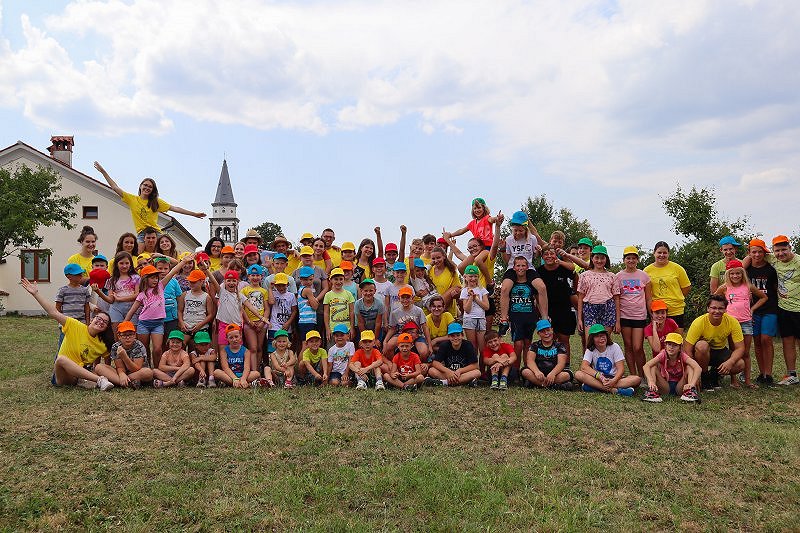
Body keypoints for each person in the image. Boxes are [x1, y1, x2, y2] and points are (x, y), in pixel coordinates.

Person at [21, 278, 115, 390]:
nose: (100, 322)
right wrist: (36, 294)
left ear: (106, 328)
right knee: (61, 359)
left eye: (105, 322)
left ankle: (89, 380)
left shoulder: (103, 345)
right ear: (92, 318)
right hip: (61, 375)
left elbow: (107, 365)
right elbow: (54, 312)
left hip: (77, 376)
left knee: (90, 369)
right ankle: (99, 380)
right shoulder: (75, 325)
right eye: (99, 318)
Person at [94, 161, 206, 241]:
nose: (147, 188)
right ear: (140, 186)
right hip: (142, 234)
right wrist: (103, 172)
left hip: (155, 233)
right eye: (145, 185)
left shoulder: (155, 202)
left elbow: (175, 208)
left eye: (150, 187)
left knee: (165, 248)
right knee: (139, 255)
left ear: (152, 190)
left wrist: (194, 214)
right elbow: (115, 187)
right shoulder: (132, 199)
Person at [744, 235, 800, 385]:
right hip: (779, 308)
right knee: (783, 341)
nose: (780, 253)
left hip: (780, 308)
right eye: (777, 250)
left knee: (769, 339)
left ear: (790, 248)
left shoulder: (787, 263)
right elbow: (748, 259)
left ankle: (771, 374)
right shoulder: (766, 261)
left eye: (784, 249)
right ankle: (785, 374)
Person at [124, 258, 187, 368]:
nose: (155, 280)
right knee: (144, 348)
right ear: (145, 279)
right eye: (152, 278)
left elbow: (172, 272)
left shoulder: (161, 287)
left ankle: (158, 370)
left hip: (158, 324)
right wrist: (124, 324)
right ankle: (146, 368)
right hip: (143, 323)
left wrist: (183, 262)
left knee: (158, 349)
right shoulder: (142, 294)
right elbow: (132, 311)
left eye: (156, 278)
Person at [714, 259, 767, 388]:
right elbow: (714, 300)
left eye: (738, 273)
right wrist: (722, 312)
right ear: (728, 274)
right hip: (731, 324)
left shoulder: (748, 286)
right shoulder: (724, 287)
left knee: (746, 352)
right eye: (732, 274)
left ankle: (748, 380)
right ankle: (734, 380)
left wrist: (752, 309)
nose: (735, 276)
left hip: (746, 322)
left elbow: (764, 297)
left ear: (742, 274)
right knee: (734, 352)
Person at [683, 295, 746, 391]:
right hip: (701, 353)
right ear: (708, 308)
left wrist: (730, 362)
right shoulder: (699, 322)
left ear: (725, 309)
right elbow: (687, 348)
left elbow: (740, 348)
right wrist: (694, 372)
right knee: (702, 346)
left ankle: (715, 374)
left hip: (720, 351)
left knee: (740, 364)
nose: (717, 311)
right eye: (713, 308)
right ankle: (704, 376)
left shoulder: (732, 322)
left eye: (721, 308)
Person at [744, 239, 779, 384]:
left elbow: (776, 289)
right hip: (753, 310)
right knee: (757, 341)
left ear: (764, 253)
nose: (757, 255)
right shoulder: (746, 270)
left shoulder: (771, 270)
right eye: (754, 252)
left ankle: (769, 374)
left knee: (766, 339)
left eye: (760, 252)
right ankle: (761, 373)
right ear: (749, 253)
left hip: (769, 307)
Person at [615, 246, 651, 380]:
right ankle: (633, 375)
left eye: (633, 258)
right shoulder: (618, 276)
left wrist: (651, 314)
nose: (631, 260)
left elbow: (648, 298)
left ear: (637, 260)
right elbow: (617, 299)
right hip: (624, 315)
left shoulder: (644, 275)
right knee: (628, 346)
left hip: (639, 316)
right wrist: (617, 320)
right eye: (628, 258)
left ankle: (642, 376)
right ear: (624, 260)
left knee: (638, 347)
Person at [537, 246, 578, 365]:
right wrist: (541, 313)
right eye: (546, 254)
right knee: (549, 338)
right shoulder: (539, 271)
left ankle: (566, 366)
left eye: (552, 254)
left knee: (564, 339)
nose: (549, 256)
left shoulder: (564, 268)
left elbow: (573, 271)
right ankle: (549, 365)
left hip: (564, 309)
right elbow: (537, 295)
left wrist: (574, 291)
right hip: (547, 310)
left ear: (556, 255)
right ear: (542, 257)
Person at [575, 324, 640, 395]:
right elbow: (584, 367)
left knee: (636, 379)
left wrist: (613, 381)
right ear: (592, 339)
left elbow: (621, 369)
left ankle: (596, 387)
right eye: (597, 336)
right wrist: (600, 377)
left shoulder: (615, 347)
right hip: (598, 378)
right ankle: (614, 391)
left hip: (614, 378)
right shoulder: (590, 349)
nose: (602, 338)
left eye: (603, 335)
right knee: (578, 374)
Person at [443, 198, 496, 283]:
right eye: (475, 208)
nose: (477, 210)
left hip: (486, 247)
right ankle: (470, 283)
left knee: (478, 260)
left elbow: (492, 219)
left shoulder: (486, 218)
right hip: (477, 249)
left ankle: (490, 282)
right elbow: (461, 230)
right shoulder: (472, 223)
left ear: (484, 208)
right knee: (461, 267)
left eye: (479, 208)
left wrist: (497, 218)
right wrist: (451, 234)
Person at [641, 332, 701, 403]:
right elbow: (646, 366)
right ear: (665, 346)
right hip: (665, 386)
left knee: (690, 367)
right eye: (669, 344)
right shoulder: (663, 354)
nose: (671, 347)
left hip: (680, 387)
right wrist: (651, 381)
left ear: (680, 348)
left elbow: (698, 368)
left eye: (675, 345)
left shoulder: (683, 355)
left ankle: (690, 392)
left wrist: (692, 384)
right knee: (653, 367)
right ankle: (652, 392)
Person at [644, 241, 691, 330]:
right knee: (659, 340)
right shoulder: (647, 271)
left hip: (676, 310)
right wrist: (651, 312)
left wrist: (675, 298)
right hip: (658, 312)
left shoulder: (677, 268)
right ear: (654, 253)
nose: (662, 255)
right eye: (659, 252)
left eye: (664, 253)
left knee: (676, 340)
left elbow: (686, 288)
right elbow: (647, 295)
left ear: (668, 254)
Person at [576, 245, 620, 340]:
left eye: (602, 258)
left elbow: (616, 298)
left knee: (604, 341)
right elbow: (580, 297)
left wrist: (618, 321)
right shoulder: (584, 275)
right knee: (590, 341)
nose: (599, 261)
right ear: (592, 258)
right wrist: (579, 319)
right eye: (597, 257)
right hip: (590, 309)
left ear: (606, 259)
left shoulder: (612, 276)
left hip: (608, 309)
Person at [95, 321, 153, 388]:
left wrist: (124, 356)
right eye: (124, 335)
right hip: (123, 373)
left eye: (130, 334)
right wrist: (122, 374)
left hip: (137, 373)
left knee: (148, 372)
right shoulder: (115, 346)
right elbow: (120, 367)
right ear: (119, 336)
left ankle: (119, 382)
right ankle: (127, 382)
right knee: (98, 367)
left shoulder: (139, 346)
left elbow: (136, 369)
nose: (127, 337)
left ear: (134, 335)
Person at [521, 319, 573, 391]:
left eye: (548, 330)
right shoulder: (534, 345)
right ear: (538, 333)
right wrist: (537, 372)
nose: (546, 333)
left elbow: (561, 363)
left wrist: (553, 374)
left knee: (567, 375)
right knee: (525, 372)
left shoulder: (560, 345)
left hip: (555, 374)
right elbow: (530, 361)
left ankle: (538, 384)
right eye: (542, 331)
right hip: (539, 374)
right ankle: (553, 386)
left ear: (552, 330)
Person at [424, 323, 481, 387]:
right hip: (448, 373)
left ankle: (444, 382)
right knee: (431, 370)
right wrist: (448, 371)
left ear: (462, 335)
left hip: (463, 373)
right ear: (448, 337)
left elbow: (475, 365)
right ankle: (465, 381)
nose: (455, 338)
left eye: (458, 335)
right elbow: (435, 363)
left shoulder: (468, 345)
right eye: (452, 336)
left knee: (477, 372)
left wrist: (460, 370)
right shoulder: (444, 345)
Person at [384, 286, 431, 361]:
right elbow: (392, 329)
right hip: (401, 334)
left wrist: (429, 345)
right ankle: (394, 364)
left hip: (417, 335)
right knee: (389, 346)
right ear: (399, 298)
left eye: (408, 297)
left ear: (412, 298)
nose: (405, 300)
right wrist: (385, 341)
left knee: (424, 352)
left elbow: (425, 327)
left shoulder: (418, 311)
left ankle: (418, 365)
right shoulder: (395, 313)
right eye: (403, 298)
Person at [103, 251, 140, 336]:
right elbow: (111, 299)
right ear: (116, 264)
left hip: (132, 308)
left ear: (131, 264)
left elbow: (137, 295)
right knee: (118, 335)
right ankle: (117, 349)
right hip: (116, 308)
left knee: (132, 334)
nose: (124, 266)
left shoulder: (136, 278)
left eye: (127, 263)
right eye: (121, 263)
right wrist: (98, 291)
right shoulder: (112, 280)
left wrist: (120, 298)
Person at [212, 324, 261, 388]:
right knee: (216, 372)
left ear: (240, 336)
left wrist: (243, 378)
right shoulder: (224, 351)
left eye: (236, 336)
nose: (234, 339)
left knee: (256, 373)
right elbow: (225, 368)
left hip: (242, 374)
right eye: (231, 338)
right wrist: (235, 378)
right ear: (227, 338)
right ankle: (241, 384)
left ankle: (234, 383)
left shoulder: (246, 351)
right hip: (230, 375)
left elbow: (247, 368)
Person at [242, 264, 270, 368]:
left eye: (257, 275)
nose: (255, 278)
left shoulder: (264, 291)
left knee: (259, 348)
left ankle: (257, 371)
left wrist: (263, 322)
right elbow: (242, 308)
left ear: (261, 276)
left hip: (261, 323)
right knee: (252, 348)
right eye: (252, 275)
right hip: (249, 324)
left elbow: (267, 309)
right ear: (248, 276)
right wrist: (248, 321)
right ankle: (253, 371)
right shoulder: (244, 290)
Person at [460, 264, 490, 355]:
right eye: (471, 276)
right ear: (465, 277)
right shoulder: (464, 291)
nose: (473, 279)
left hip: (481, 319)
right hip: (469, 319)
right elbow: (467, 309)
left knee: (482, 348)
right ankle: (474, 368)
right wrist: (470, 297)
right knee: (472, 347)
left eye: (475, 276)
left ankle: (482, 368)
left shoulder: (482, 290)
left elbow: (486, 307)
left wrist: (476, 298)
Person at [177, 269, 213, 344]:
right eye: (190, 281)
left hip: (201, 327)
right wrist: (182, 323)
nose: (191, 284)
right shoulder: (184, 295)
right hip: (186, 326)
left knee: (198, 347)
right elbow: (180, 311)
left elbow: (210, 314)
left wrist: (200, 324)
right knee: (182, 344)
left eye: (194, 282)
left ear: (201, 282)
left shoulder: (206, 297)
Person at [56, 263, 92, 337]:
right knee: (64, 344)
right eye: (78, 274)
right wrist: (61, 321)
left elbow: (87, 307)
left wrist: (87, 322)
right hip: (66, 322)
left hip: (81, 323)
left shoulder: (85, 290)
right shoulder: (62, 290)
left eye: (81, 274)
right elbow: (58, 307)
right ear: (69, 277)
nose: (81, 276)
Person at [267, 273, 297, 356]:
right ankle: (273, 366)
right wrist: (270, 288)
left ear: (287, 284)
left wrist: (289, 323)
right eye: (278, 285)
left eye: (283, 285)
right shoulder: (272, 293)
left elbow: (294, 310)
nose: (281, 288)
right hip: (274, 326)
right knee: (272, 349)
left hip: (286, 327)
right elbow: (271, 302)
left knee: (285, 349)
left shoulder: (291, 296)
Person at [323, 268, 355, 345]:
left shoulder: (348, 294)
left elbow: (351, 312)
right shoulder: (328, 295)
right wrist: (327, 329)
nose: (338, 282)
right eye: (336, 279)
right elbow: (326, 313)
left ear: (344, 280)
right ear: (331, 280)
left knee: (346, 351)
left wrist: (352, 327)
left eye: (341, 279)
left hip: (346, 329)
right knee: (332, 351)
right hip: (333, 329)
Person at [296, 266, 321, 350]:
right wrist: (314, 301)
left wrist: (312, 301)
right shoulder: (307, 290)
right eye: (305, 279)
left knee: (306, 345)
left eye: (310, 279)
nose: (308, 282)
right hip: (307, 321)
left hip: (304, 320)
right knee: (306, 346)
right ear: (301, 279)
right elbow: (315, 306)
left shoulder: (301, 289)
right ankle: (301, 363)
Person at [355, 279, 385, 345]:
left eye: (371, 290)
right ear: (361, 291)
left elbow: (378, 322)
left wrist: (375, 339)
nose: (368, 293)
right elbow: (360, 322)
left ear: (375, 291)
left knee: (376, 345)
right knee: (363, 346)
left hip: (376, 330)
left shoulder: (379, 304)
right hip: (363, 330)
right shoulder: (357, 304)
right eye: (365, 291)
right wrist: (365, 338)